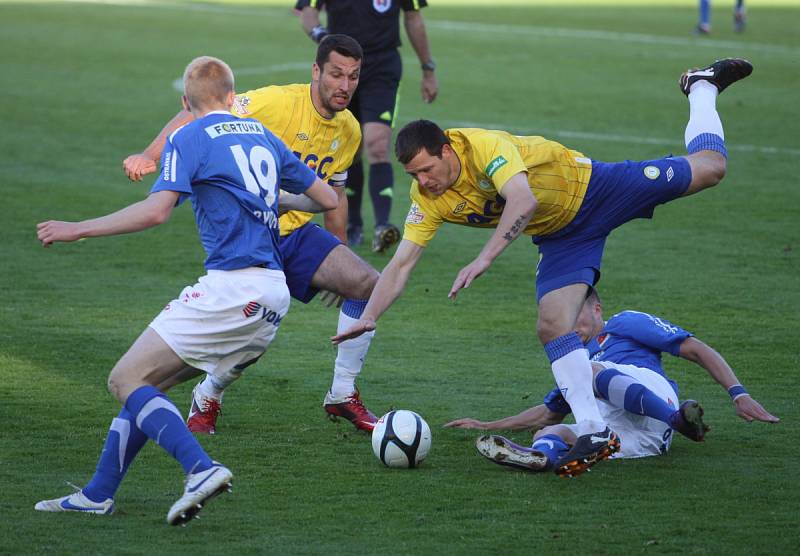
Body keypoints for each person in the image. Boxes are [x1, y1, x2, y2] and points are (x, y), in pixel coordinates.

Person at [332, 58, 755, 477]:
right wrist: (369, 316)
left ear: (447, 150)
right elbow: (402, 262)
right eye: (413, 174)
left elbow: (522, 200)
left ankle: (701, 87)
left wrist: (485, 257)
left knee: (712, 170)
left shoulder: (483, 147)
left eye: (427, 169)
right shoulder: (428, 197)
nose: (423, 181)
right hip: (562, 236)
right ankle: (592, 430)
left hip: (596, 190)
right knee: (552, 325)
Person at [34, 56, 337, 523]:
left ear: (185, 102)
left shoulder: (187, 136)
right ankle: (98, 493)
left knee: (124, 379)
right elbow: (327, 198)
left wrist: (78, 229)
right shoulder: (261, 134)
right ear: (233, 97)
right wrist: (265, 197)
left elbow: (156, 212)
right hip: (273, 295)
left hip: (232, 288)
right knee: (147, 384)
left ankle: (200, 468)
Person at [123, 35, 382, 433]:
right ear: (316, 72)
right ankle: (208, 394)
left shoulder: (348, 129)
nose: (344, 86)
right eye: (335, 75)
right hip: (249, 235)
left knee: (365, 283)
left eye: (353, 77)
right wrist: (149, 155)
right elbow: (201, 112)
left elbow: (335, 194)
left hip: (295, 234)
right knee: (252, 340)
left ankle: (342, 394)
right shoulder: (277, 102)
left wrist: (338, 248)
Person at [444, 289, 779, 474]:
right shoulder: (571, 359)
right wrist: (486, 423)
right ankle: (541, 458)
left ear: (597, 309)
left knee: (589, 372)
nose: (569, 325)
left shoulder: (624, 324)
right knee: (550, 432)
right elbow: (550, 412)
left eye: (576, 314)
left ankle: (679, 421)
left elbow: (695, 349)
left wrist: (738, 394)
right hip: (635, 441)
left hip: (654, 404)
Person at [296, 0, 439, 252]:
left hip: (382, 66)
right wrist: (320, 34)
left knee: (377, 144)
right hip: (341, 69)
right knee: (350, 146)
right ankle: (353, 224)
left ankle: (383, 225)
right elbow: (307, 11)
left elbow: (413, 17)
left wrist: (427, 68)